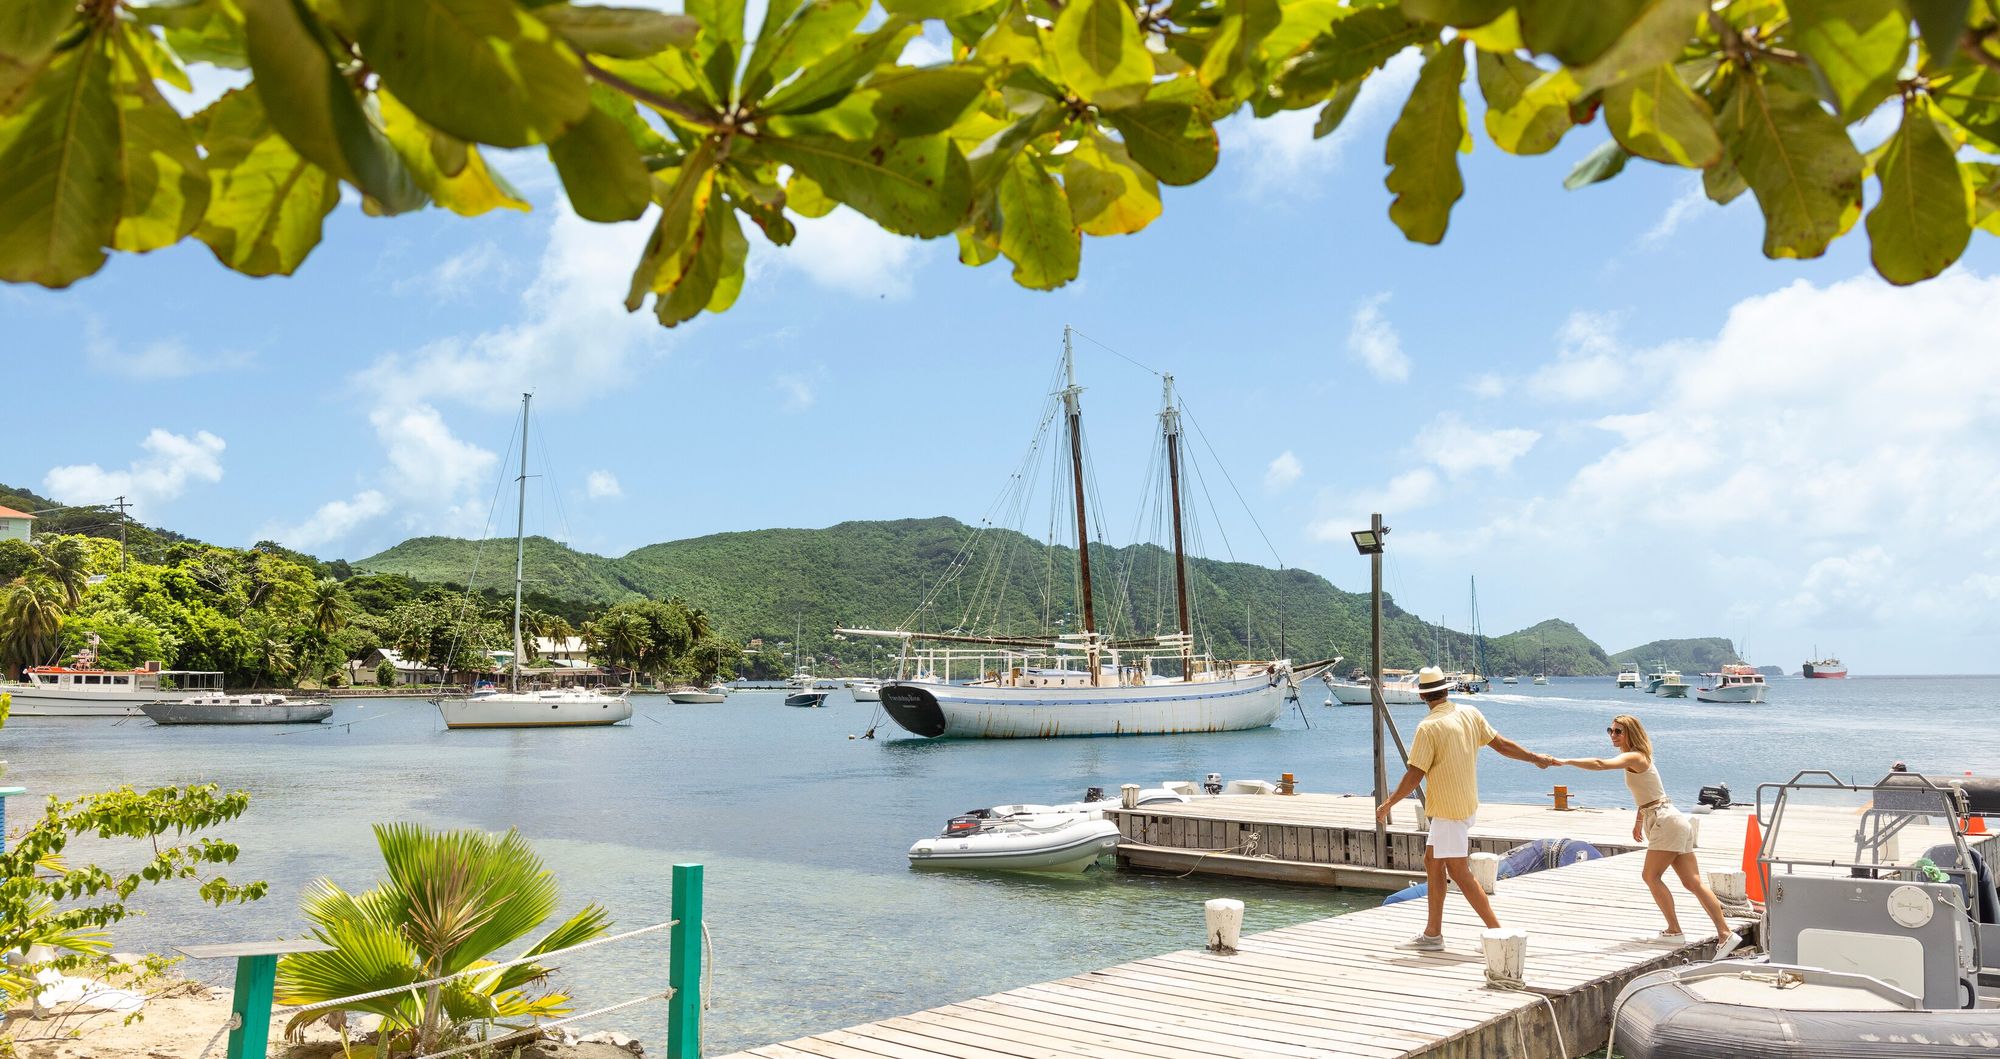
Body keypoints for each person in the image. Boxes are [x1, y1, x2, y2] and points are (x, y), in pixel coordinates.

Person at [1375, 666, 1555, 951]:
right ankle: (1433, 934)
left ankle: (1499, 936)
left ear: (1423, 696)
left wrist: (1389, 803)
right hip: (1465, 804)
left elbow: (1414, 774)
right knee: (1433, 863)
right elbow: (1502, 745)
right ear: (1446, 690)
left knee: (1459, 871)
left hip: (1448, 810)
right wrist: (1534, 757)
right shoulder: (1470, 714)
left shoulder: (1428, 727)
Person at [1554, 713, 1739, 957]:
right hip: (1670, 818)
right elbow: (1649, 792)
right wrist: (1639, 820)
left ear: (1631, 733)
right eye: (1610, 731)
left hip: (1665, 820)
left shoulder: (1635, 756)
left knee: (1651, 876)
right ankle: (1724, 933)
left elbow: (1600, 764)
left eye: (1618, 731)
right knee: (1692, 882)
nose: (1613, 735)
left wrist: (1564, 761)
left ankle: (1675, 931)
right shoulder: (1639, 758)